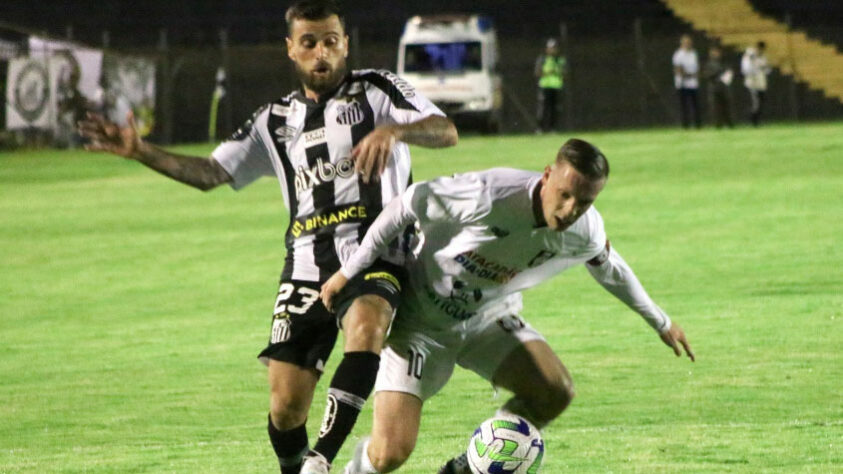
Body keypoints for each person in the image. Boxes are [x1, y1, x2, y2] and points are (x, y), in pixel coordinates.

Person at [77, 1, 458, 473]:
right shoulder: (273, 120)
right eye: (310, 43)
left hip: (375, 251)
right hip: (303, 264)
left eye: (331, 41)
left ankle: (322, 459)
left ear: (345, 43)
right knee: (285, 407)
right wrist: (141, 151)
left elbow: (445, 130)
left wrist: (396, 131)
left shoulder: (378, 91)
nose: (322, 52)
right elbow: (211, 172)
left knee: (366, 326)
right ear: (291, 50)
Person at [320, 139, 695, 473]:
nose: (570, 210)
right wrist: (346, 273)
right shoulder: (490, 194)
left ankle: (471, 466)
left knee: (554, 391)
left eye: (584, 202)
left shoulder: (585, 229)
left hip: (487, 319)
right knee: (390, 455)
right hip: (420, 324)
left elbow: (609, 267)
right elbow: (404, 205)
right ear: (547, 175)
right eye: (565, 194)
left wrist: (661, 322)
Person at [534, 38, 566, 133]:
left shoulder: (560, 60)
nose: (553, 50)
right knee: (543, 109)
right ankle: (540, 129)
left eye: (554, 48)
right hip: (545, 87)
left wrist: (557, 72)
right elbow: (537, 72)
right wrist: (547, 72)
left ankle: (553, 129)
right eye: (551, 48)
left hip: (556, 87)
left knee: (554, 109)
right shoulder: (543, 59)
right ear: (547, 49)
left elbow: (565, 73)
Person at [672, 34, 701, 129]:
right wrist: (689, 75)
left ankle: (698, 125)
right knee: (684, 106)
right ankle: (686, 125)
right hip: (682, 84)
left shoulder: (693, 53)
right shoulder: (678, 54)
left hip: (693, 83)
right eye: (686, 42)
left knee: (695, 105)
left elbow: (696, 67)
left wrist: (695, 75)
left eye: (689, 42)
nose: (688, 44)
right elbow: (678, 69)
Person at [741, 41, 771, 126]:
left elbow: (767, 70)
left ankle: (757, 120)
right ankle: (753, 121)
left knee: (760, 103)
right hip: (751, 83)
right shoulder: (749, 57)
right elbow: (745, 70)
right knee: (755, 103)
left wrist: (764, 68)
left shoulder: (763, 57)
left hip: (761, 83)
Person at [704, 46, 734, 128]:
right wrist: (717, 74)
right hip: (714, 88)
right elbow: (707, 75)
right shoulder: (709, 64)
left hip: (724, 88)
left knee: (726, 107)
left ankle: (729, 124)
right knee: (715, 108)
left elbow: (729, 73)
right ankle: (718, 125)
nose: (715, 54)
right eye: (713, 52)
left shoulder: (725, 63)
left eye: (716, 52)